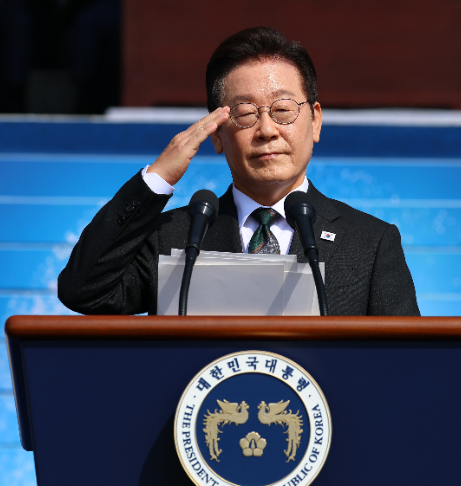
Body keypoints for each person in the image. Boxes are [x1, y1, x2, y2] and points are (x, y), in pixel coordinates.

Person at [58, 26, 419, 316]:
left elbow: (403, 364)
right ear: (217, 134)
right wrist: (157, 179)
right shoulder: (174, 237)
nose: (267, 130)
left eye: (282, 110)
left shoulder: (370, 243)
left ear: (315, 121)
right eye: (246, 113)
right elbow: (84, 291)